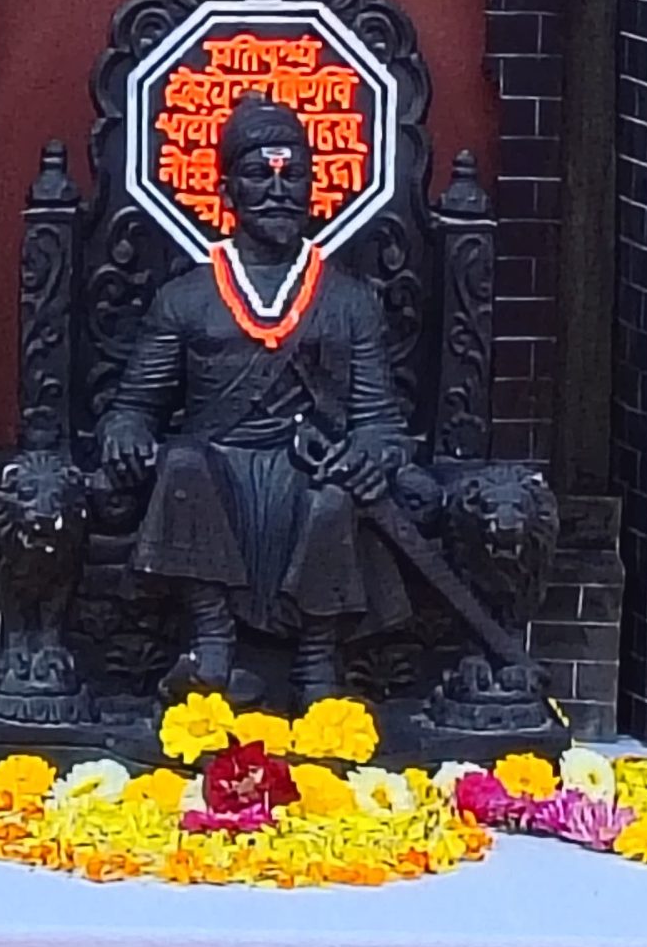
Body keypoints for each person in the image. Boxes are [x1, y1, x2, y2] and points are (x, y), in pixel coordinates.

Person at [99, 92, 412, 703]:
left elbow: (379, 423)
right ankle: (211, 638)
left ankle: (317, 662)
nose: (276, 190)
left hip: (308, 470)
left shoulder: (350, 302)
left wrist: (369, 452)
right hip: (216, 468)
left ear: (312, 188)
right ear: (227, 190)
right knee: (182, 464)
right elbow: (135, 405)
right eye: (258, 175)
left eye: (292, 176)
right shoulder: (185, 298)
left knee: (333, 500)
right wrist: (126, 431)